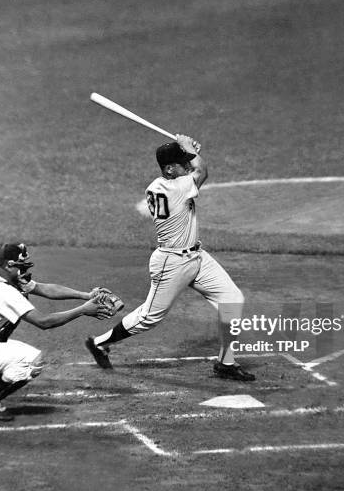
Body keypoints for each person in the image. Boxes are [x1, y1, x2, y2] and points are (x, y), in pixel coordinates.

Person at [85, 135, 254, 381]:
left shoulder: (167, 184)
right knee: (149, 318)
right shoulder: (174, 188)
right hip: (171, 262)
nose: (187, 167)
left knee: (232, 300)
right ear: (169, 169)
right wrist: (190, 150)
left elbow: (195, 169)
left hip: (197, 257)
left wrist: (187, 151)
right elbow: (202, 170)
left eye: (186, 163)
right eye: (181, 163)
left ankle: (226, 363)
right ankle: (99, 343)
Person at [0, 242, 113, 422]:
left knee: (12, 355)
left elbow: (45, 289)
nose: (25, 270)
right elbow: (43, 322)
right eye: (21, 266)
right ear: (9, 265)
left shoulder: (4, 278)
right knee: (30, 361)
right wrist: (82, 310)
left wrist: (86, 296)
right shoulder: (4, 291)